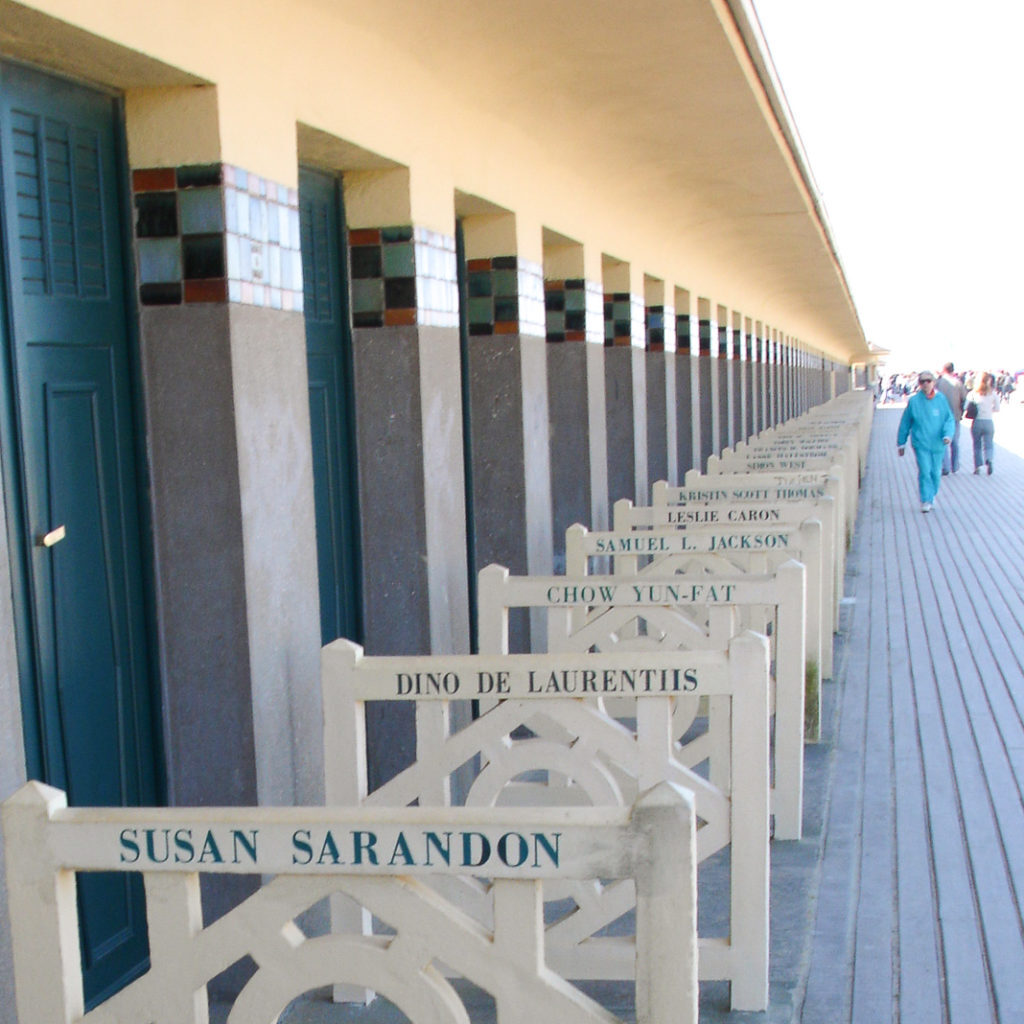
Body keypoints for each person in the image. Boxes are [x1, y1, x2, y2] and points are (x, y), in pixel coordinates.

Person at [897, 370, 954, 513]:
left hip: (938, 444)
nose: (925, 384)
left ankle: (931, 495)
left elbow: (949, 419)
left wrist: (947, 435)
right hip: (921, 443)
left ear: (933, 382)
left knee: (935, 472)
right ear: (919, 384)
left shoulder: (941, 399)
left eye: (928, 381)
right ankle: (926, 499)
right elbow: (905, 422)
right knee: (925, 471)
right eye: (922, 381)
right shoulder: (914, 401)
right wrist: (901, 442)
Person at [934, 362, 967, 474]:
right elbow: (964, 399)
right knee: (955, 442)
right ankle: (955, 466)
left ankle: (945, 466)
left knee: (943, 441)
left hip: (940, 417)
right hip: (955, 416)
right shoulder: (958, 383)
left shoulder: (938, 383)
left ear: (943, 369)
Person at [966, 371, 1000, 474]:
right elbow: (997, 408)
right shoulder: (993, 393)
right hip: (989, 421)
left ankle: (977, 467)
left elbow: (966, 407)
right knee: (989, 444)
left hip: (977, 422)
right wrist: (989, 410)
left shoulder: (973, 393)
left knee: (977, 445)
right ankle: (989, 459)